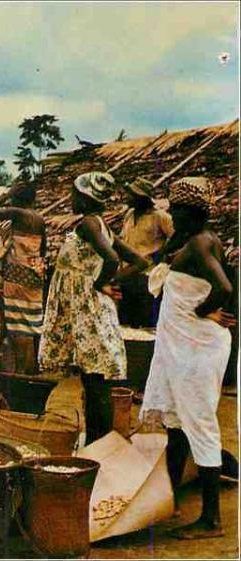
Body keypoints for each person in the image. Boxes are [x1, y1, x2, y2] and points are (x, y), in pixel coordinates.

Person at [139, 177, 235, 540]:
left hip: (196, 347)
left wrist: (204, 312)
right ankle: (169, 496)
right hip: (183, 347)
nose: (171, 216)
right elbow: (168, 259)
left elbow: (224, 288)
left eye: (176, 210)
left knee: (200, 425)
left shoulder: (199, 244)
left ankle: (211, 520)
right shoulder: (194, 239)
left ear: (190, 212)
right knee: (177, 423)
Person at [39, 172, 149, 444]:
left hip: (87, 309)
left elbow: (112, 258)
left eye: (75, 193)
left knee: (96, 381)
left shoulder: (88, 224)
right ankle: (97, 441)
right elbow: (138, 261)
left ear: (86, 197)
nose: (71, 198)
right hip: (88, 308)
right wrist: (105, 281)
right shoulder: (102, 226)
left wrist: (100, 283)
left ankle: (99, 444)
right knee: (93, 379)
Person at [0, 181, 46, 376]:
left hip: (18, 277)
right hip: (34, 275)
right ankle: (29, 371)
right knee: (30, 326)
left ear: (17, 199)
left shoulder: (19, 214)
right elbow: (43, 251)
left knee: (19, 329)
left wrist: (6, 195)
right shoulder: (39, 219)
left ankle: (22, 374)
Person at [117, 177, 175, 327]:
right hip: (127, 274)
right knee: (125, 321)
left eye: (132, 195)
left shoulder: (160, 217)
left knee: (145, 321)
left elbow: (176, 238)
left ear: (141, 197)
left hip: (146, 276)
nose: (129, 198)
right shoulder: (129, 215)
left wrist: (162, 256)